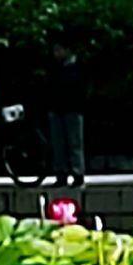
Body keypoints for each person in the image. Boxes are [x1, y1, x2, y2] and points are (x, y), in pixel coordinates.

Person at [46, 39, 87, 187]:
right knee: (58, 145)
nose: (56, 54)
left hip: (73, 109)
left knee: (74, 143)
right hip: (57, 110)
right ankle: (61, 174)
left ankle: (77, 173)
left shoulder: (76, 67)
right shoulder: (55, 68)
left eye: (59, 50)